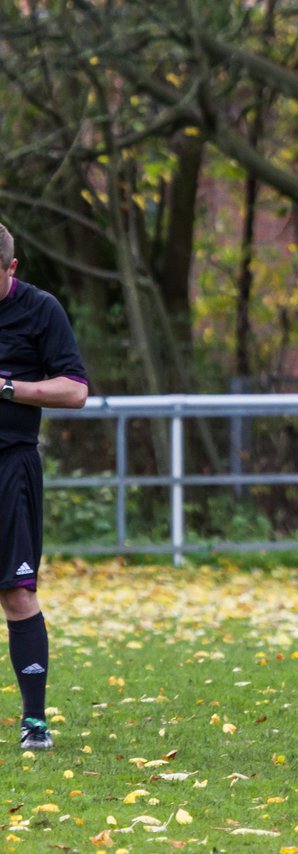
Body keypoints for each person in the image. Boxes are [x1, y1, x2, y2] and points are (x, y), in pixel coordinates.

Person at [0, 222, 89, 751]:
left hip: (10, 465)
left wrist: (7, 387)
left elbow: (74, 390)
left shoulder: (40, 310)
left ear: (11, 268)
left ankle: (35, 722)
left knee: (16, 590)